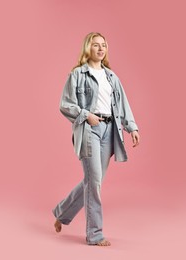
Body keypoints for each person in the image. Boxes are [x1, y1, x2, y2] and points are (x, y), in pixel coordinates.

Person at [52, 32, 140, 247]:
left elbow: (123, 105)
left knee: (93, 182)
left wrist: (132, 127)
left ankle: (62, 212)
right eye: (96, 45)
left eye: (103, 45)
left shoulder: (112, 77)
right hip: (90, 129)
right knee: (95, 182)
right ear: (87, 49)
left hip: (110, 130)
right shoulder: (77, 75)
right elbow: (65, 104)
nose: (100, 49)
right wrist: (86, 115)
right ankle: (95, 234)